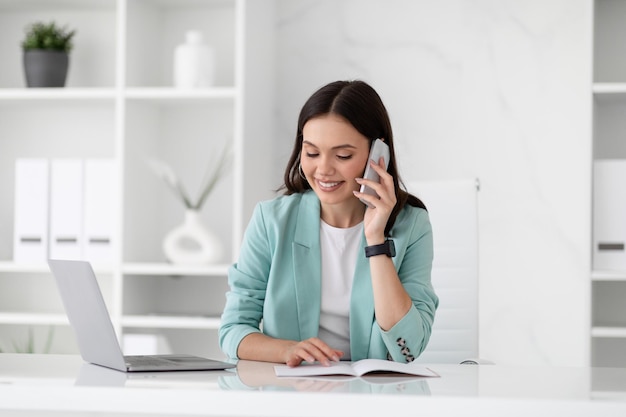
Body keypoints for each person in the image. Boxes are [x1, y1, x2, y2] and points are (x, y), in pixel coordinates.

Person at [219, 80, 438, 367]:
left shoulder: (413, 225)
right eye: (311, 153)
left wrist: (376, 239)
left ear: (377, 154)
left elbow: (408, 348)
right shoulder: (271, 221)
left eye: (343, 155)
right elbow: (233, 331)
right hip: (294, 395)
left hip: (375, 398)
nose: (323, 169)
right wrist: (287, 351)